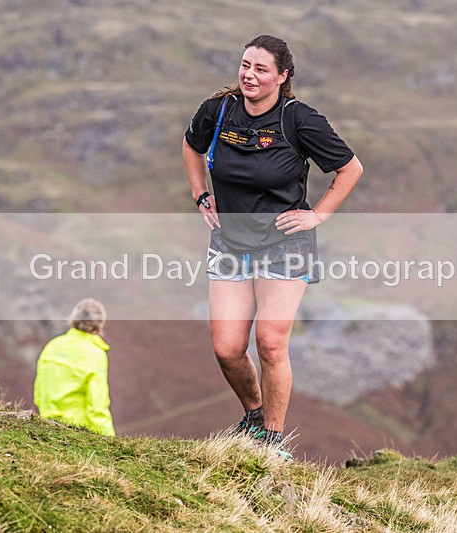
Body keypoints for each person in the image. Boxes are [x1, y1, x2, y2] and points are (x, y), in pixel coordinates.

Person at [182, 35, 363, 458]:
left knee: (270, 341)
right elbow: (192, 146)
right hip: (229, 241)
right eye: (245, 65)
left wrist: (316, 214)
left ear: (282, 77)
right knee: (227, 348)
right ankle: (255, 415)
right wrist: (199, 194)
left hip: (285, 243)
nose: (249, 75)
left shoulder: (299, 120)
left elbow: (350, 168)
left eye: (261, 69)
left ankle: (273, 441)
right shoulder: (218, 110)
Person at [33, 298, 115, 436]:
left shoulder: (53, 345)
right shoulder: (95, 354)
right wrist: (110, 440)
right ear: (99, 323)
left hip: (47, 425)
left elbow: (39, 391)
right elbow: (97, 405)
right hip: (80, 432)